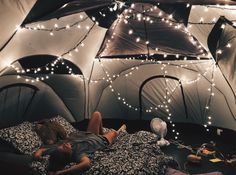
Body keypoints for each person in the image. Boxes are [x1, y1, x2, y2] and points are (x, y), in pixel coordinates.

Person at [34, 111, 126, 175]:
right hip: (101, 140)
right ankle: (110, 134)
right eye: (65, 147)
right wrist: (60, 173)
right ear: (68, 155)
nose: (65, 144)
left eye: (63, 145)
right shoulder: (77, 154)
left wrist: (37, 157)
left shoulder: (56, 149)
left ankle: (102, 132)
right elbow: (86, 164)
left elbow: (41, 150)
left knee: (97, 114)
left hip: (88, 134)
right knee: (114, 132)